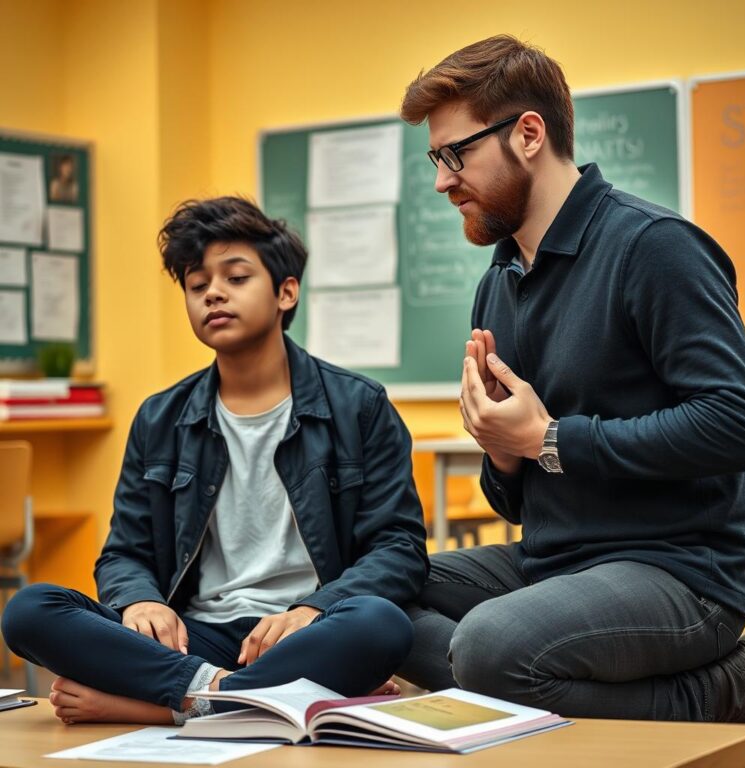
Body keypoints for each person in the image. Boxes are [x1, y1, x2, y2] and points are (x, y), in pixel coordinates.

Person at [397, 34, 745, 722]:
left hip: (681, 575)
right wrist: (506, 455)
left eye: (457, 154)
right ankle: (511, 695)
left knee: (488, 646)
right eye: (435, 159)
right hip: (552, 564)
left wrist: (552, 438)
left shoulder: (654, 248)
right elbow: (516, 504)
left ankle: (732, 683)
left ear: (529, 134)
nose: (443, 180)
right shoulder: (499, 282)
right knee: (376, 598)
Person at [2, 197, 428, 724]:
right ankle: (230, 698)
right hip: (189, 637)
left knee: (381, 624)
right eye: (197, 284)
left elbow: (398, 549)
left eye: (236, 277)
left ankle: (164, 708)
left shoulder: (358, 406)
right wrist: (140, 602)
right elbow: (124, 553)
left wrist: (313, 609)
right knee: (29, 610)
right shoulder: (161, 417)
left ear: (285, 291)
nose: (214, 294)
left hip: (305, 633)